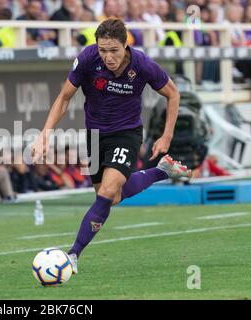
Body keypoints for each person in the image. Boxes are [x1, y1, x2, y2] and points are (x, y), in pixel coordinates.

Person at [31, 19, 191, 273]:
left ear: (125, 45)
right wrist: (45, 133)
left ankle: (73, 255)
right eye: (103, 50)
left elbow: (173, 93)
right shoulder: (87, 59)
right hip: (95, 136)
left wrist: (167, 136)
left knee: (106, 193)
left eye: (113, 50)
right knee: (111, 197)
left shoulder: (142, 64)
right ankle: (162, 171)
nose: (108, 57)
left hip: (126, 134)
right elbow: (64, 98)